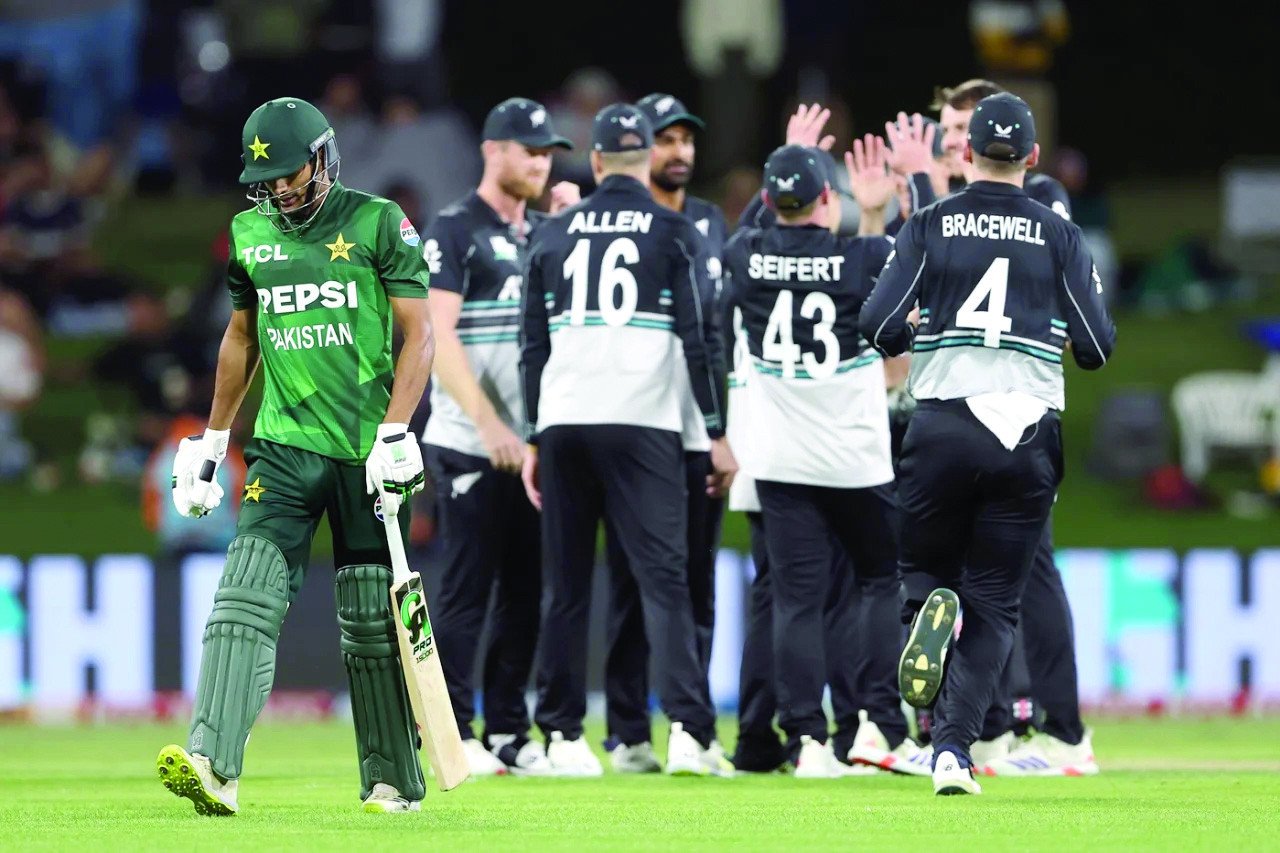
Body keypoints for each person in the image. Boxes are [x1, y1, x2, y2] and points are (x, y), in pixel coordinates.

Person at [156, 97, 436, 815]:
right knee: (243, 594)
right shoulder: (251, 233)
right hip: (282, 449)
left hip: (365, 453)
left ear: (322, 156)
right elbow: (240, 340)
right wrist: (214, 442)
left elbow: (421, 335)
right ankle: (213, 763)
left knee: (371, 621)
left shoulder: (378, 222)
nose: (281, 190)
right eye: (268, 179)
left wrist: (398, 430)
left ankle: (391, 779)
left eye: (291, 174)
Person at [859, 93, 1115, 795]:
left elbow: (878, 325)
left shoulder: (934, 223)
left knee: (924, 576)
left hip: (942, 424)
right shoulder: (1059, 233)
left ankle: (924, 625)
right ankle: (954, 754)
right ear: (1033, 158)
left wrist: (924, 329)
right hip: (1027, 431)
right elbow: (1095, 346)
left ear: (966, 153)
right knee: (997, 603)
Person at [520, 103, 736, 777]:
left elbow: (533, 346)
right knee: (665, 582)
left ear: (593, 163)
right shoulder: (674, 229)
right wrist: (717, 429)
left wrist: (532, 435)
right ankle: (691, 735)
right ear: (643, 161)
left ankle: (559, 735)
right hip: (642, 422)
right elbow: (698, 340)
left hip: (563, 424)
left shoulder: (552, 234)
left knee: (566, 586)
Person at [723, 144, 903, 779]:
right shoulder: (866, 253)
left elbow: (747, 232)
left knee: (795, 601)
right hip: (854, 454)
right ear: (830, 199)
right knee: (879, 583)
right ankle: (880, 726)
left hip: (778, 455)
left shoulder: (744, 254)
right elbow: (893, 318)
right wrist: (878, 213)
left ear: (772, 202)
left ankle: (807, 743)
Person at [419, 97, 572, 777]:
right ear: (493, 150)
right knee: (466, 589)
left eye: (547, 152)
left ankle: (510, 728)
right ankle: (453, 729)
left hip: (535, 447)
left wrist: (575, 227)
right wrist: (487, 422)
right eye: (529, 149)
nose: (541, 161)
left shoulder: (546, 230)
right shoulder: (455, 229)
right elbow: (435, 334)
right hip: (468, 440)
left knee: (526, 589)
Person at [596, 92, 727, 773]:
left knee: (694, 580)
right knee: (628, 581)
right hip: (638, 426)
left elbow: (723, 329)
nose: (679, 152)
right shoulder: (616, 228)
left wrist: (724, 425)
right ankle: (627, 730)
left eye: (686, 139)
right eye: (665, 140)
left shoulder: (708, 222)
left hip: (698, 433)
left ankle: (690, 726)